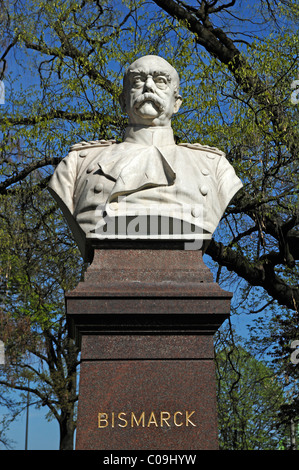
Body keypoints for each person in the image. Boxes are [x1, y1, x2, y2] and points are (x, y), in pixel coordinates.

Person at [48, 55, 243, 260]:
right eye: (138, 80)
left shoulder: (214, 166)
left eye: (160, 80)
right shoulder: (78, 162)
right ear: (123, 102)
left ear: (176, 103)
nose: (148, 86)